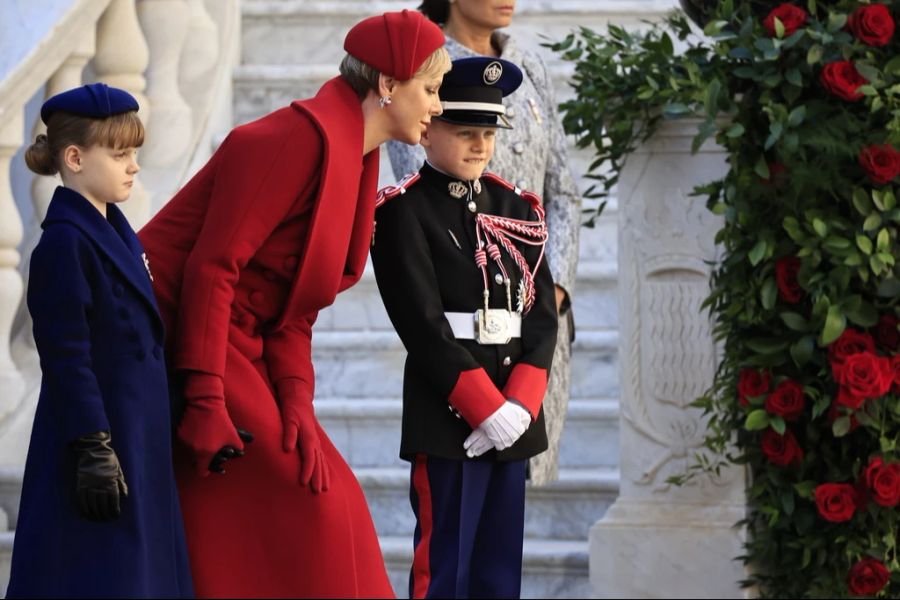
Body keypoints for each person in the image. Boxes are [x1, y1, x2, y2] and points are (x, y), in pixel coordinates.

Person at [137, 10, 450, 598]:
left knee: (338, 501)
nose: (436, 106)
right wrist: (204, 398)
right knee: (310, 508)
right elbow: (212, 269)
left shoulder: (358, 160)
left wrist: (297, 405)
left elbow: (294, 312)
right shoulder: (291, 138)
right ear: (387, 85)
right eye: (430, 90)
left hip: (242, 342)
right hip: (176, 331)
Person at [371, 56, 558, 599]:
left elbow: (540, 318)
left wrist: (518, 406)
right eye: (464, 132)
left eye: (487, 133)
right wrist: (484, 406)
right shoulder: (403, 213)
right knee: (445, 569)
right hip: (449, 414)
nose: (479, 145)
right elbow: (421, 324)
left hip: (514, 417)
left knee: (500, 571)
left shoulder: (516, 207)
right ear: (426, 133)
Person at [5, 83, 193, 598]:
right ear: (74, 157)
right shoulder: (64, 243)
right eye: (119, 153)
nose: (133, 165)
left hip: (138, 439)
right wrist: (93, 448)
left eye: (134, 152)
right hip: (98, 445)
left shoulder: (115, 231)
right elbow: (68, 358)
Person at [388, 0, 582, 486]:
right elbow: (424, 190)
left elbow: (562, 186)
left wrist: (550, 291)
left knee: (515, 482)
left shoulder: (528, 63)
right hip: (462, 318)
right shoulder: (421, 63)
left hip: (533, 307)